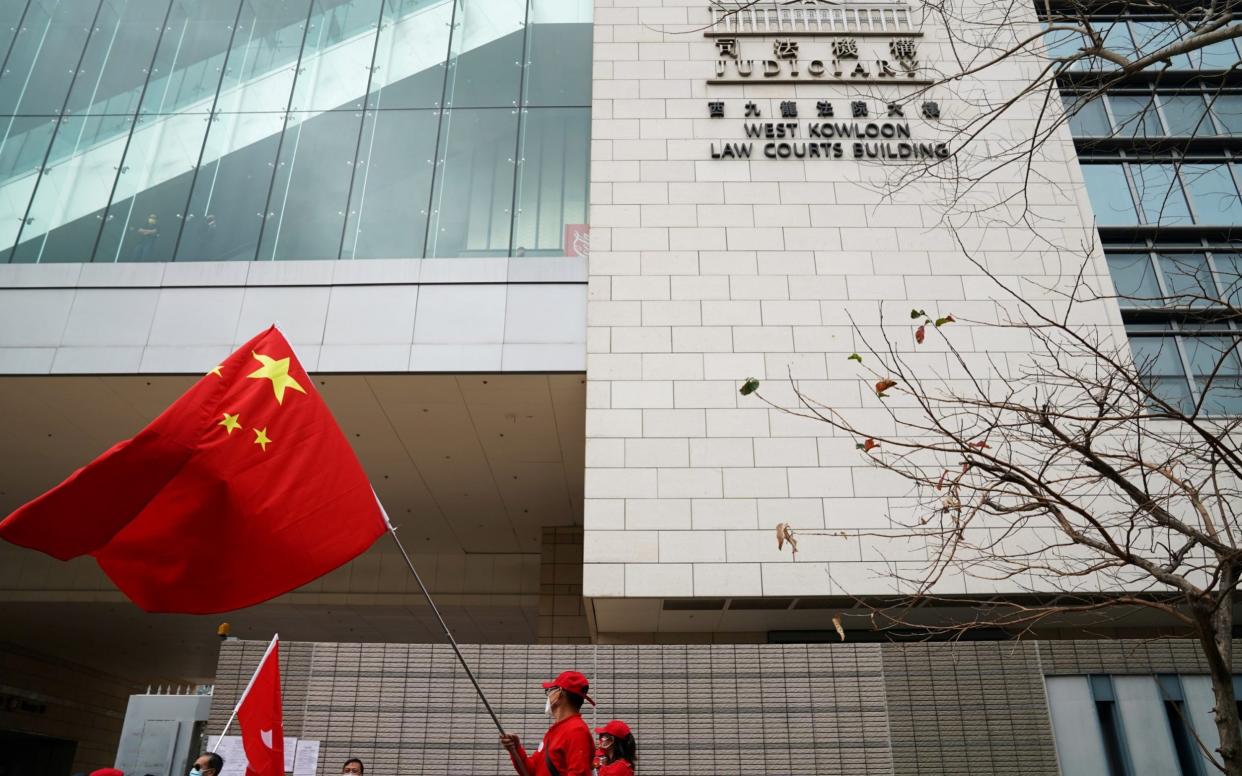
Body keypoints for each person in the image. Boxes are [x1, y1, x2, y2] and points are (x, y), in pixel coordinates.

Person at [499, 670, 595, 776]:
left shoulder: (577, 731)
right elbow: (532, 771)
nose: (548, 695)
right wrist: (516, 748)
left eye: (549, 690)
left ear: (559, 692)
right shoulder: (555, 730)